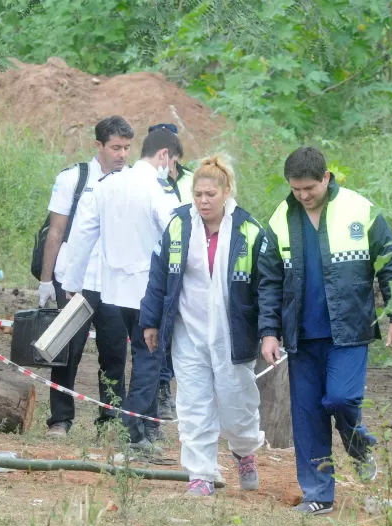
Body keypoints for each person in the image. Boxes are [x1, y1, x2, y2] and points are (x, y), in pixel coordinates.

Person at [258, 146, 392, 515]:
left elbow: (391, 263)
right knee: (308, 416)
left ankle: (359, 446)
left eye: (309, 188)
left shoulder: (360, 210)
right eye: (296, 189)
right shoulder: (281, 218)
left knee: (341, 399)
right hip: (301, 336)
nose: (303, 195)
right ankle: (318, 494)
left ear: (326, 178)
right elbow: (268, 280)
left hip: (350, 330)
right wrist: (269, 331)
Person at [140, 155, 266, 496]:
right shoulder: (179, 224)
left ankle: (244, 451)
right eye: (198, 194)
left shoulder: (249, 230)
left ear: (226, 192)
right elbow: (158, 276)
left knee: (237, 403)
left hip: (232, 334)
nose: (203, 201)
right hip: (189, 331)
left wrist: (270, 330)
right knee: (193, 404)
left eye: (210, 194)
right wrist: (150, 321)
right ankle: (200, 474)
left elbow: (267, 285)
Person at [61, 128, 182, 454]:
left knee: (132, 358)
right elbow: (176, 235)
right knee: (149, 360)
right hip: (149, 291)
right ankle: (131, 427)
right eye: (172, 167)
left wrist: (71, 284)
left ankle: (146, 432)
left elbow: (81, 236)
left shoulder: (107, 185)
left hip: (113, 293)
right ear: (164, 157)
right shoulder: (158, 189)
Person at [37, 115, 134, 438]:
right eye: (116, 147)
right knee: (67, 352)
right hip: (75, 282)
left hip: (114, 284)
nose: (122, 154)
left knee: (114, 354)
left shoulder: (133, 182)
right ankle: (60, 420)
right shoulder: (74, 179)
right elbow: (56, 231)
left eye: (127, 148)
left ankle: (110, 422)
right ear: (99, 146)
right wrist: (47, 281)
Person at [147, 122, 194, 421]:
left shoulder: (193, 180)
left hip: (190, 262)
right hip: (159, 262)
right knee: (160, 325)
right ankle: (162, 387)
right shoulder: (145, 180)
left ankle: (181, 386)